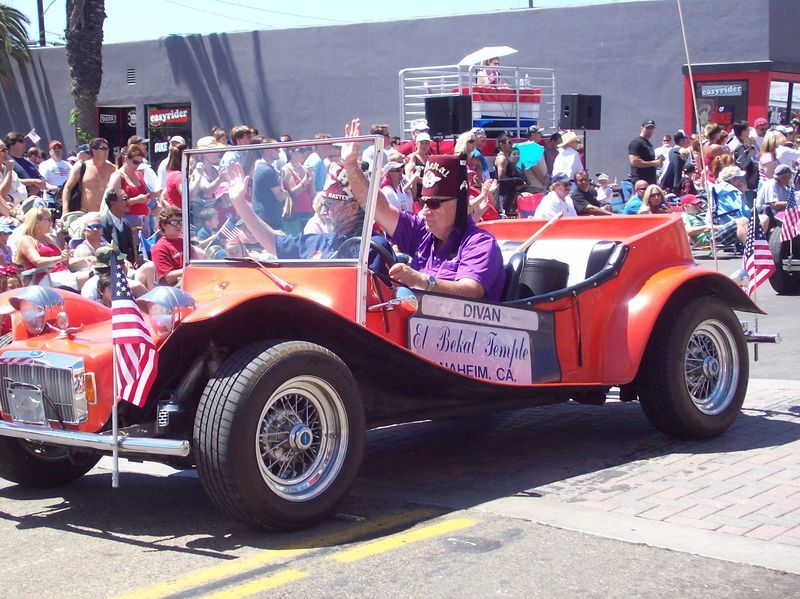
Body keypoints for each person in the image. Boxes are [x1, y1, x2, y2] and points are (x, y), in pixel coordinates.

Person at [342, 119, 505, 300]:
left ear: (459, 204)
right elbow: (379, 207)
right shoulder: (422, 232)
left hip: (466, 326)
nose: (425, 211)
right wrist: (350, 165)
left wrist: (421, 281)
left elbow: (471, 290)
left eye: (434, 204)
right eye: (424, 202)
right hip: (419, 324)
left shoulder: (480, 243)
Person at [228, 161, 365, 260]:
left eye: (328, 205)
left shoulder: (370, 247)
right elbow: (273, 243)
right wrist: (240, 204)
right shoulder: (320, 241)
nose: (323, 211)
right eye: (323, 204)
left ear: (352, 208)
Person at [106, 144, 159, 238]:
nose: (138, 165)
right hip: (126, 224)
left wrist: (149, 197)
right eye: (135, 162)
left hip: (143, 222)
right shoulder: (118, 176)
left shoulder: (139, 174)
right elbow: (112, 203)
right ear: (126, 158)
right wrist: (136, 200)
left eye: (140, 163)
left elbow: (143, 198)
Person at [62, 137, 115, 213]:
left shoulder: (113, 169)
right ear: (93, 150)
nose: (106, 151)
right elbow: (67, 188)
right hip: (85, 213)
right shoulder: (82, 167)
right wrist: (65, 210)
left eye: (107, 148)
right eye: (103, 148)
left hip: (106, 214)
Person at [251, 137, 288, 229]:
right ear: (267, 149)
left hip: (264, 216)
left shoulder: (261, 167)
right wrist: (286, 193)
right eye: (276, 148)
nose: (279, 151)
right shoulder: (267, 170)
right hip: (268, 218)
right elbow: (280, 196)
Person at [281, 146, 315, 230]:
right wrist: (305, 181)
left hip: (308, 211)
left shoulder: (304, 169)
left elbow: (311, 194)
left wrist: (312, 180)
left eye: (304, 150)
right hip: (295, 213)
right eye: (300, 150)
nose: (304, 153)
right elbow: (293, 193)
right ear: (291, 152)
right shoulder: (286, 169)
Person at [150, 206, 186, 285]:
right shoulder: (159, 248)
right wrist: (190, 270)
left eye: (181, 222)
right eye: (174, 222)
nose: (178, 226)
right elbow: (168, 277)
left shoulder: (184, 241)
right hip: (175, 289)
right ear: (163, 225)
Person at [100, 188, 139, 260]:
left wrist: (139, 257)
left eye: (128, 198)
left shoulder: (126, 223)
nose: (128, 202)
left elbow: (134, 248)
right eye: (124, 199)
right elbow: (103, 246)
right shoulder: (102, 223)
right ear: (113, 204)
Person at [4, 132, 45, 197]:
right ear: (11, 144)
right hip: (17, 201)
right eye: (21, 141)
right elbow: (11, 181)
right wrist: (33, 181)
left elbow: (42, 180)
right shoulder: (6, 162)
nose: (24, 143)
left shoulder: (30, 163)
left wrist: (37, 187)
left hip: (36, 200)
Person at [38, 140, 71, 206]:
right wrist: (51, 187)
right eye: (55, 150)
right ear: (50, 152)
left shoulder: (68, 165)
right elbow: (42, 180)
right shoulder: (45, 164)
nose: (58, 151)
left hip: (66, 199)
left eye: (59, 149)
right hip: (51, 199)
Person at [627, 120, 661, 185]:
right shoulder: (636, 143)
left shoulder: (649, 144)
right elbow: (634, 161)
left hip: (651, 181)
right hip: (640, 183)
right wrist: (654, 163)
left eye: (652, 128)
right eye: (647, 128)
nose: (650, 130)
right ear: (642, 128)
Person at [405, 131, 432, 203]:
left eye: (427, 143)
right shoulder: (412, 157)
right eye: (422, 143)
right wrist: (427, 181)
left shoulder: (430, 158)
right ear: (416, 144)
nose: (424, 145)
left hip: (427, 195)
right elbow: (409, 178)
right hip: (415, 196)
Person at [162, 142, 187, 208]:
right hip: (182, 215)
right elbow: (187, 196)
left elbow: (163, 197)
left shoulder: (171, 174)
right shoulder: (178, 176)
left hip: (177, 215)